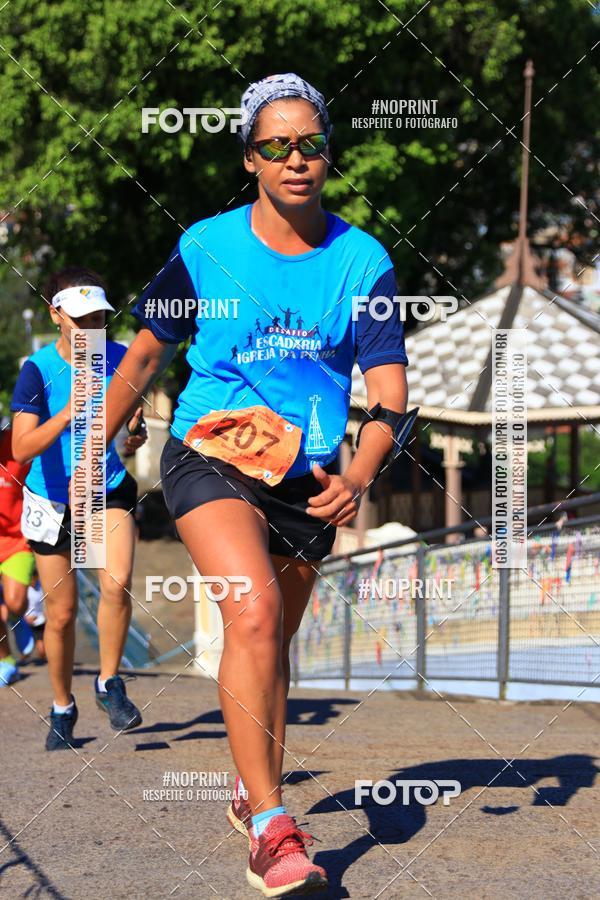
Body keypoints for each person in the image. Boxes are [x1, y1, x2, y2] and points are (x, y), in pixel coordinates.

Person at [102, 73, 409, 896]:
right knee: (255, 610)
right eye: (276, 145)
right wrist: (92, 451)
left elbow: (388, 390)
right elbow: (143, 354)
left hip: (309, 477)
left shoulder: (361, 259)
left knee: (269, 652)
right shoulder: (205, 246)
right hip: (212, 452)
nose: (295, 158)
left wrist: (358, 475)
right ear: (251, 159)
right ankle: (273, 831)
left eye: (310, 143)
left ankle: (250, 787)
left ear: (327, 155)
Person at [11, 269, 147, 750]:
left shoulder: (121, 358)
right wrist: (67, 412)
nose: (91, 327)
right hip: (51, 498)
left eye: (99, 318)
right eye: (81, 318)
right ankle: (62, 706)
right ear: (56, 314)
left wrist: (135, 431)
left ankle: (109, 683)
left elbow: (133, 421)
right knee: (62, 615)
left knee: (117, 580)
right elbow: (23, 446)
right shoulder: (38, 370)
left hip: (105, 487)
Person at [0, 425, 36, 686]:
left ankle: (15, 617)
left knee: (15, 603)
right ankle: (6, 661)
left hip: (16, 539)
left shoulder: (15, 441)